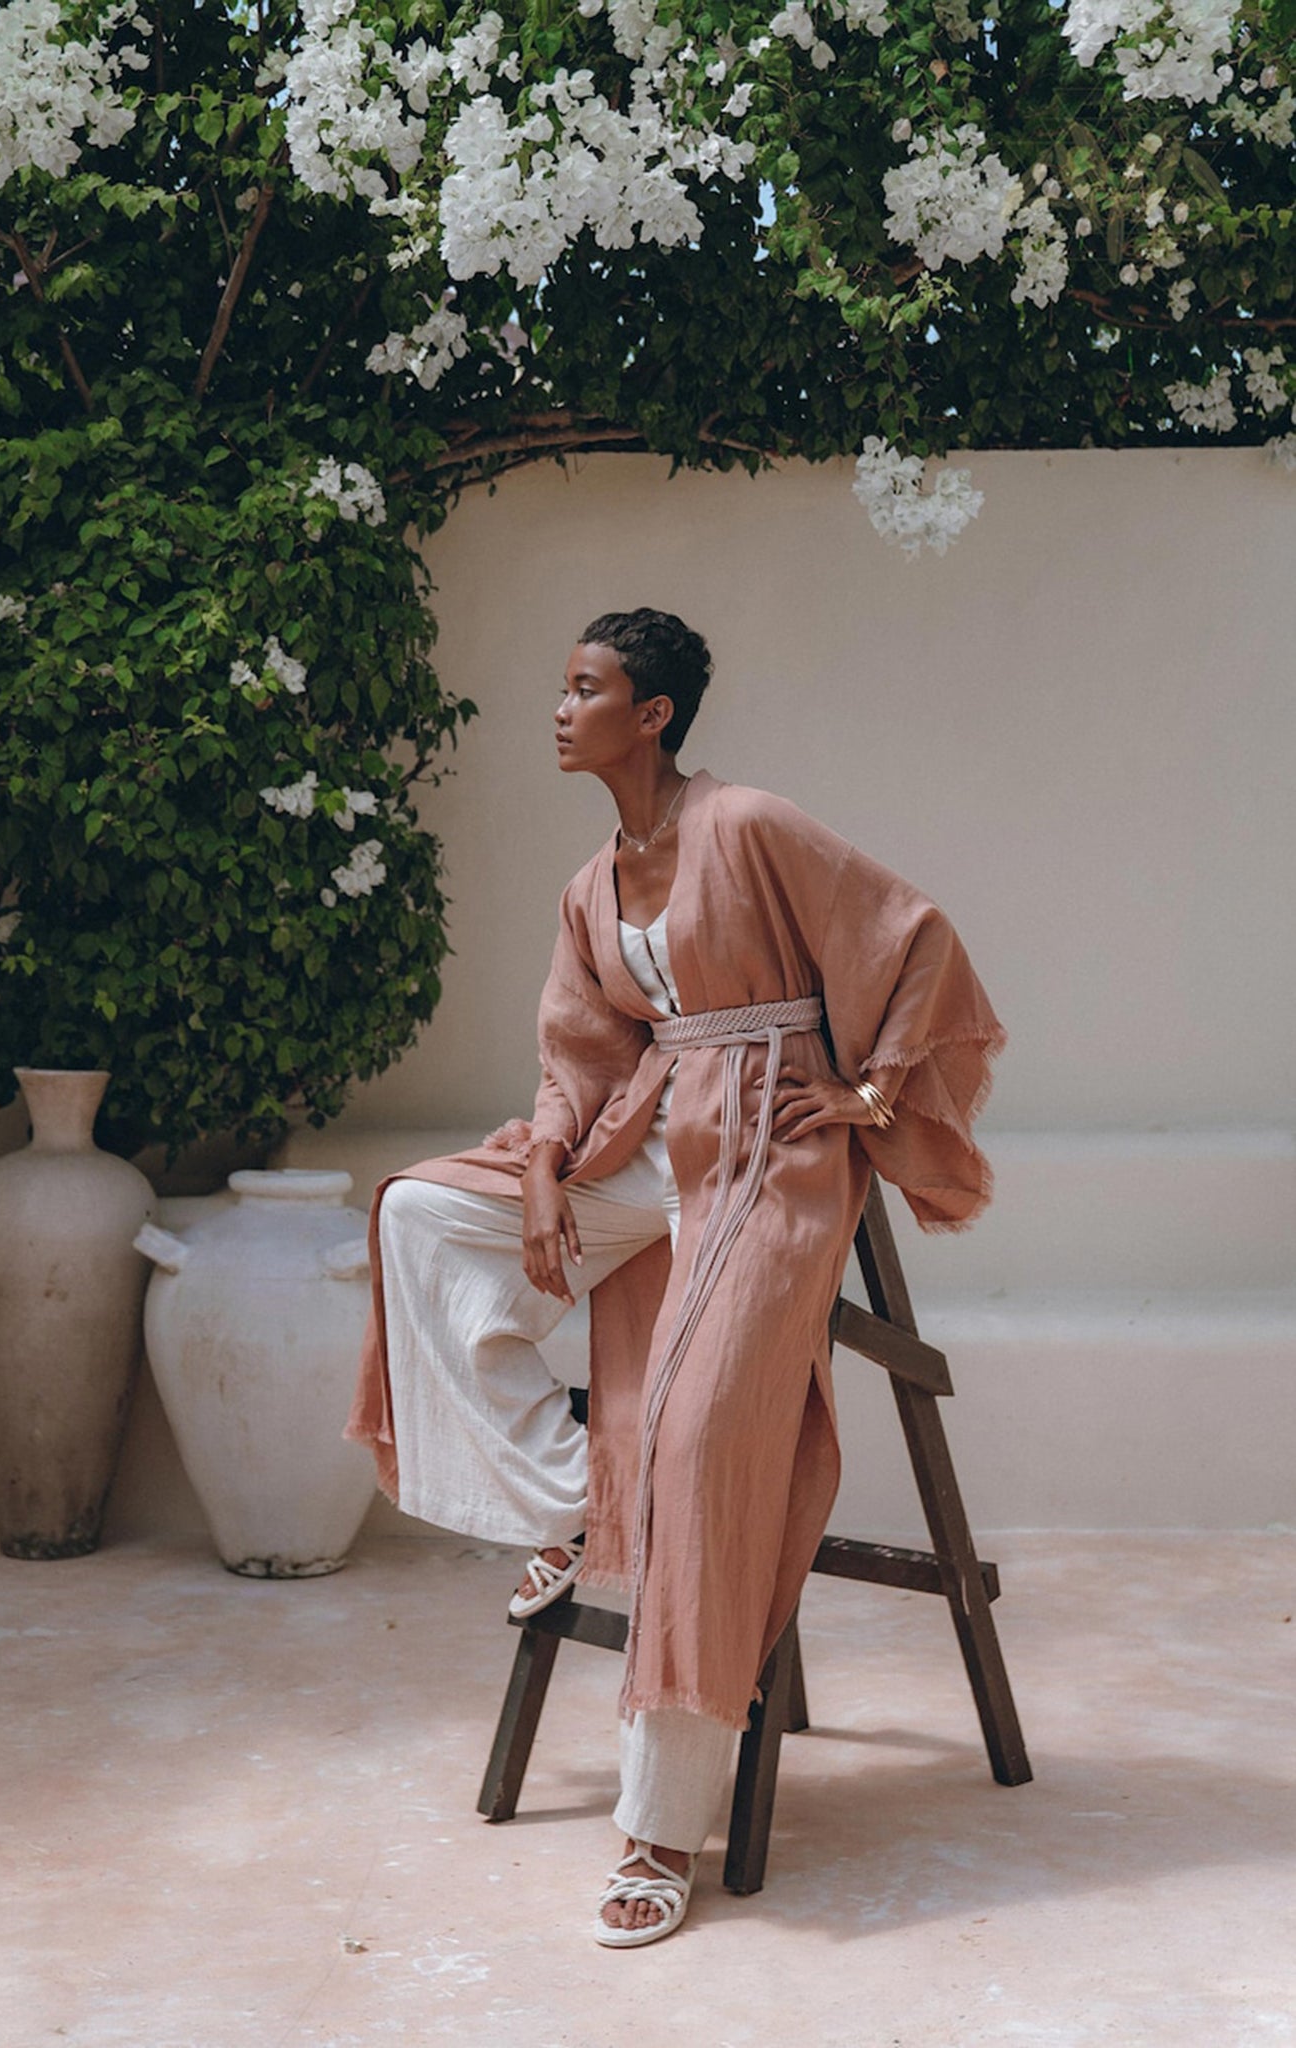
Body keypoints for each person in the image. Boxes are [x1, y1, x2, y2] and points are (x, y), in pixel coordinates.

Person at [347, 608, 1004, 1948]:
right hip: (639, 1145)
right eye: (562, 686)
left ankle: (659, 1825)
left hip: (767, 1150)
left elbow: (918, 937)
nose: (558, 707)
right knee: (419, 1213)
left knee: (699, 1442)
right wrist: (538, 1172)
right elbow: (574, 1059)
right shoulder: (591, 884)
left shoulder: (747, 825)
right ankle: (569, 1499)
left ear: (649, 715)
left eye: (583, 688)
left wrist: (870, 1091)